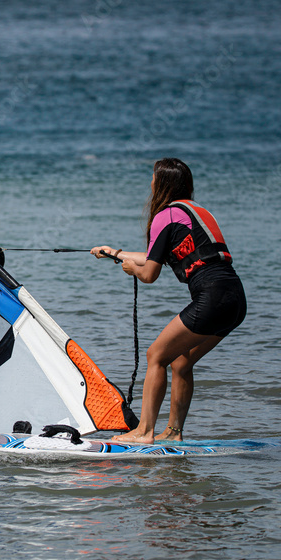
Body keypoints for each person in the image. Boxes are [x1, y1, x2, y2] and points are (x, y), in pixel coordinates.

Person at [91, 158, 246, 443]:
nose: (150, 182)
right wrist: (114, 254)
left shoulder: (166, 215)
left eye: (153, 178)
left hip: (210, 296)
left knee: (156, 356)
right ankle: (174, 433)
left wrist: (131, 270)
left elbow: (149, 273)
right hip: (234, 299)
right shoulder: (196, 211)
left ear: (161, 184)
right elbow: (155, 258)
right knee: (181, 363)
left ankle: (144, 431)